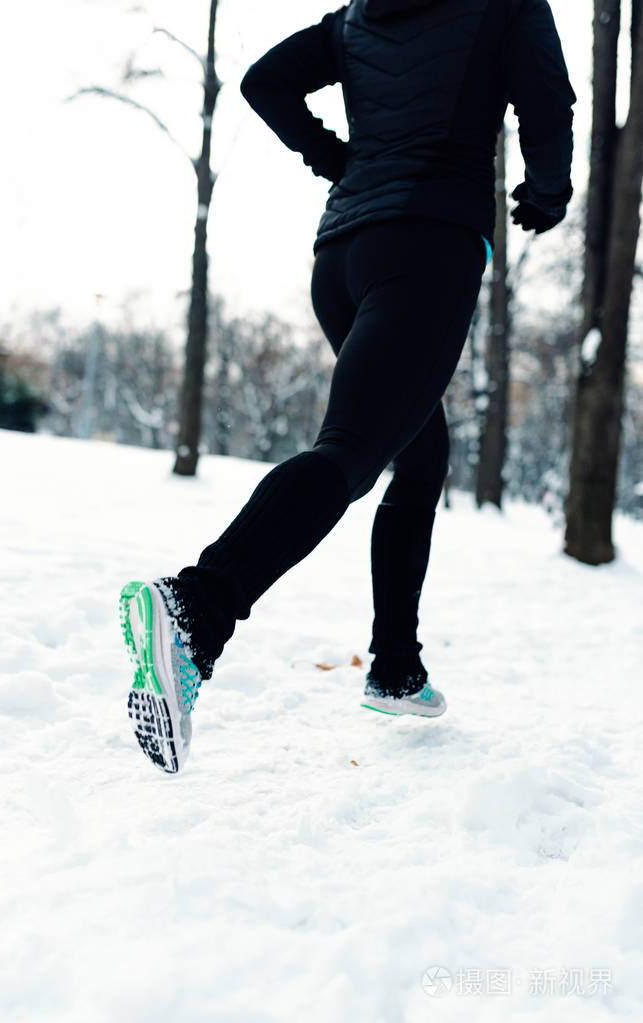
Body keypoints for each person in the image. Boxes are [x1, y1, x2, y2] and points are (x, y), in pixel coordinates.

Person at [120, 0, 577, 774]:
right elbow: (547, 100)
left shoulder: (358, 17)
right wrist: (546, 190)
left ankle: (396, 666)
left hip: (342, 257)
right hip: (428, 245)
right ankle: (198, 607)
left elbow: (265, 82)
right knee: (352, 452)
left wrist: (335, 158)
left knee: (418, 447)